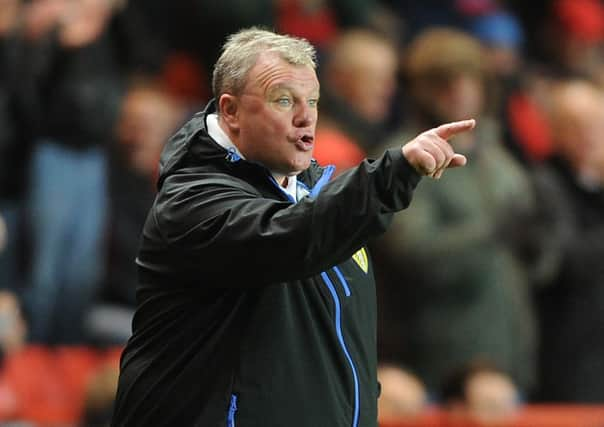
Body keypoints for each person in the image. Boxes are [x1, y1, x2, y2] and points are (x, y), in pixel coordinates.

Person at [111, 27, 475, 427]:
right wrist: (392, 175)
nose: (306, 117)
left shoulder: (315, 195)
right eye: (284, 100)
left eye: (313, 101)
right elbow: (287, 238)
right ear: (230, 111)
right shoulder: (193, 200)